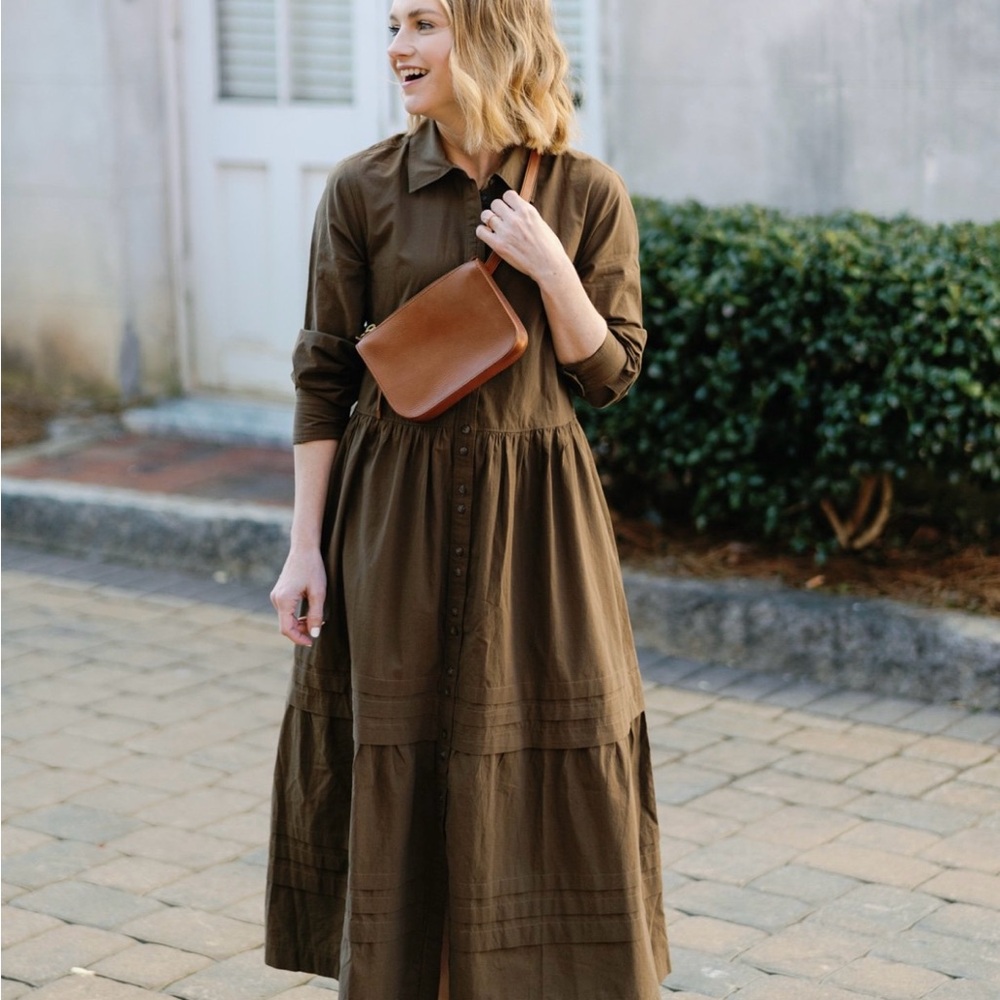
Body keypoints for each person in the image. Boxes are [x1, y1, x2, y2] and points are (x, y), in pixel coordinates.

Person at [266, 0, 670, 996]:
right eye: (393, 26)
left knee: (537, 746)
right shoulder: (362, 188)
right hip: (390, 513)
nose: (397, 48)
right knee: (402, 743)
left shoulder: (587, 192)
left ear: (491, 33)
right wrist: (304, 548)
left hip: (538, 527)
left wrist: (551, 267)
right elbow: (323, 374)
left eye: (423, 24)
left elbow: (611, 373)